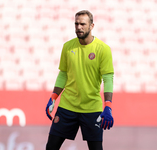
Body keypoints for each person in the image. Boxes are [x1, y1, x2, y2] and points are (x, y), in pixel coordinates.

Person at [45, 10, 114, 150]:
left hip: (91, 108)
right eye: (76, 24)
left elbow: (108, 78)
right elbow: (63, 74)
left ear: (92, 26)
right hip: (67, 106)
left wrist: (108, 106)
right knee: (51, 147)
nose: (79, 27)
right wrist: (53, 97)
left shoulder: (103, 49)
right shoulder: (68, 46)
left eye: (83, 24)